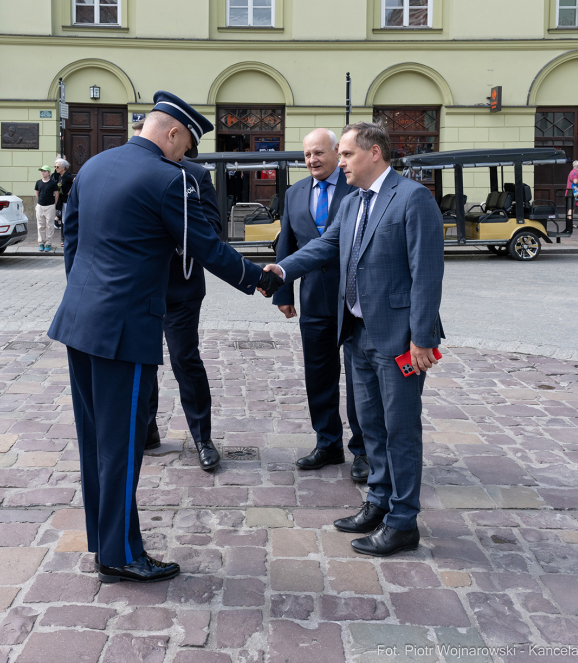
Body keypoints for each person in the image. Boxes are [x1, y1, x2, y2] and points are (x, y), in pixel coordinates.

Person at [47, 91, 283, 584]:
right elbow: (208, 248)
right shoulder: (166, 179)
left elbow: (72, 239)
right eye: (186, 146)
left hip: (80, 321)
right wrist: (259, 279)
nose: (185, 157)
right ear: (173, 133)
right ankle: (120, 555)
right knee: (124, 445)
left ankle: (104, 539)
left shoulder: (92, 166)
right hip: (124, 329)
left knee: (96, 441)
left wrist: (89, 296)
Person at [264, 122, 444, 557]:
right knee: (373, 428)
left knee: (400, 431)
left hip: (400, 339)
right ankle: (378, 503)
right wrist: (282, 271)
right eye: (339, 154)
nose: (337, 162)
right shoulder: (354, 203)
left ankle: (403, 522)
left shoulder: (412, 198)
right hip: (357, 333)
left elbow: (427, 274)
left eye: (345, 154)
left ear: (375, 153)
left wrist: (421, 339)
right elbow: (324, 246)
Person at [274, 128, 368, 483]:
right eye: (307, 155)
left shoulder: (356, 186)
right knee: (318, 373)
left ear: (336, 152)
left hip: (353, 299)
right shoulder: (294, 192)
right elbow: (287, 242)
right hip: (313, 298)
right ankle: (328, 442)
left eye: (319, 153)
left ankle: (363, 449)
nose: (312, 160)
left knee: (360, 375)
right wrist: (283, 293)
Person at [134, 119, 224, 471]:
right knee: (143, 359)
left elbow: (213, 230)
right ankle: (147, 431)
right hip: (141, 286)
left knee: (185, 360)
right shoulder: (134, 169)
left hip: (181, 285)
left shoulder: (196, 175)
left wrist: (175, 227)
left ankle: (202, 437)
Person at [34, 165, 59, 252]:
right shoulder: (38, 182)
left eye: (44, 171)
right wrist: (39, 203)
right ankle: (41, 242)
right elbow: (37, 193)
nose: (42, 173)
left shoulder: (52, 183)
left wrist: (54, 205)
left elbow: (56, 194)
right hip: (40, 206)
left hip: (50, 206)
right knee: (40, 225)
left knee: (49, 225)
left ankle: (48, 243)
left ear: (49, 173)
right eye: (41, 171)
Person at [54, 158, 73, 247]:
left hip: (67, 201)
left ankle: (66, 240)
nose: (56, 168)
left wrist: (72, 190)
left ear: (63, 167)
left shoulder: (67, 175)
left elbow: (76, 180)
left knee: (66, 220)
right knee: (62, 220)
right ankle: (64, 239)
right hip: (61, 202)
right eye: (55, 166)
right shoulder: (59, 176)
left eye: (57, 166)